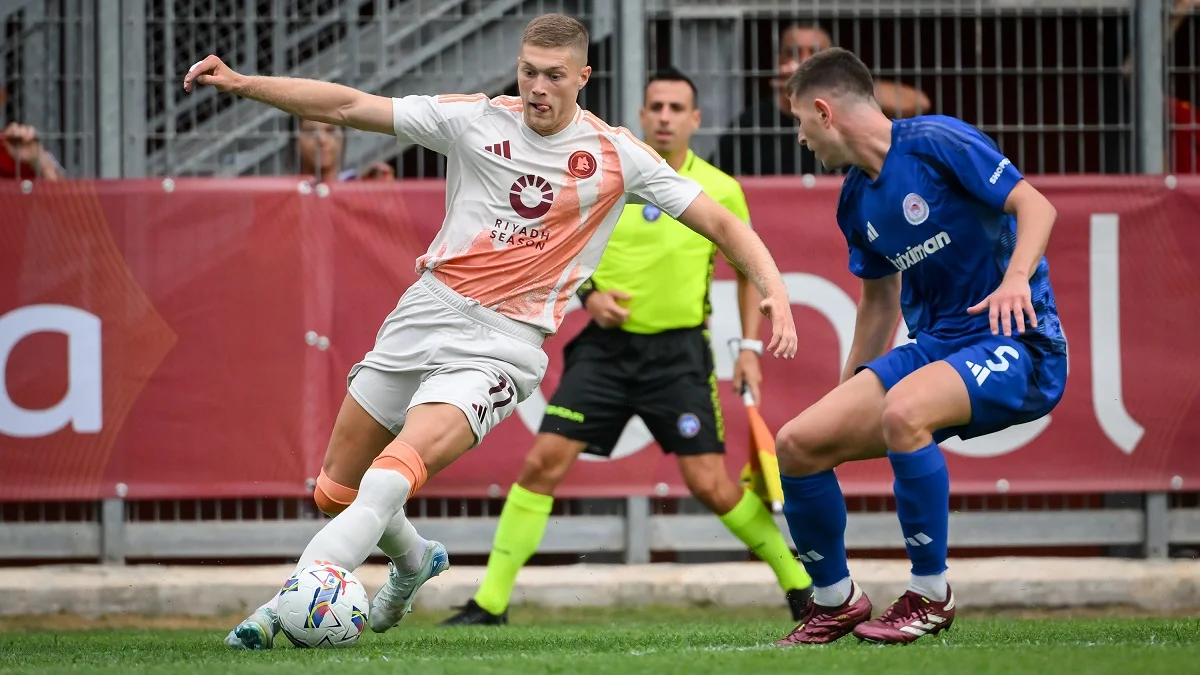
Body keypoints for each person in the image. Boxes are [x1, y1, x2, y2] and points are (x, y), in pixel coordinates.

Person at [182, 13, 797, 651]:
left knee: (394, 473)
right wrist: (243, 82)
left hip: (502, 344)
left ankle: (289, 601)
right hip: (425, 312)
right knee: (335, 491)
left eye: (553, 76)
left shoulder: (616, 155)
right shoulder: (473, 120)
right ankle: (415, 561)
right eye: (528, 70)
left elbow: (725, 226)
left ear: (582, 77)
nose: (536, 87)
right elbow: (346, 105)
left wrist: (775, 294)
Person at [439, 67, 813, 627]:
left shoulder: (720, 190)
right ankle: (489, 602)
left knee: (711, 484)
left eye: (675, 108)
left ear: (694, 120)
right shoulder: (606, 174)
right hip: (605, 354)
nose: (664, 117)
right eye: (655, 106)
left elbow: (743, 269)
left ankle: (801, 587)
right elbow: (554, 246)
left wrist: (749, 349)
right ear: (641, 116)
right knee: (542, 463)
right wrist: (589, 295)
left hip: (680, 357)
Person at [770, 48, 1067, 646]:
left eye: (800, 121)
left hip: (1017, 341)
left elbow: (1037, 205)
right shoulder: (855, 201)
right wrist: (851, 388)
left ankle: (931, 593)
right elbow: (878, 303)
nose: (800, 138)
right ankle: (836, 600)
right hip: (937, 346)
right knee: (799, 443)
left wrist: (1015, 279)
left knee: (905, 411)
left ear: (824, 112)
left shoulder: (936, 140)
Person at [710, 23, 929, 177]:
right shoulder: (752, 122)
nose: (804, 61)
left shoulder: (849, 109)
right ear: (779, 62)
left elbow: (919, 102)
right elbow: (717, 176)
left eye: (815, 53)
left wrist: (848, 88)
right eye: (793, 53)